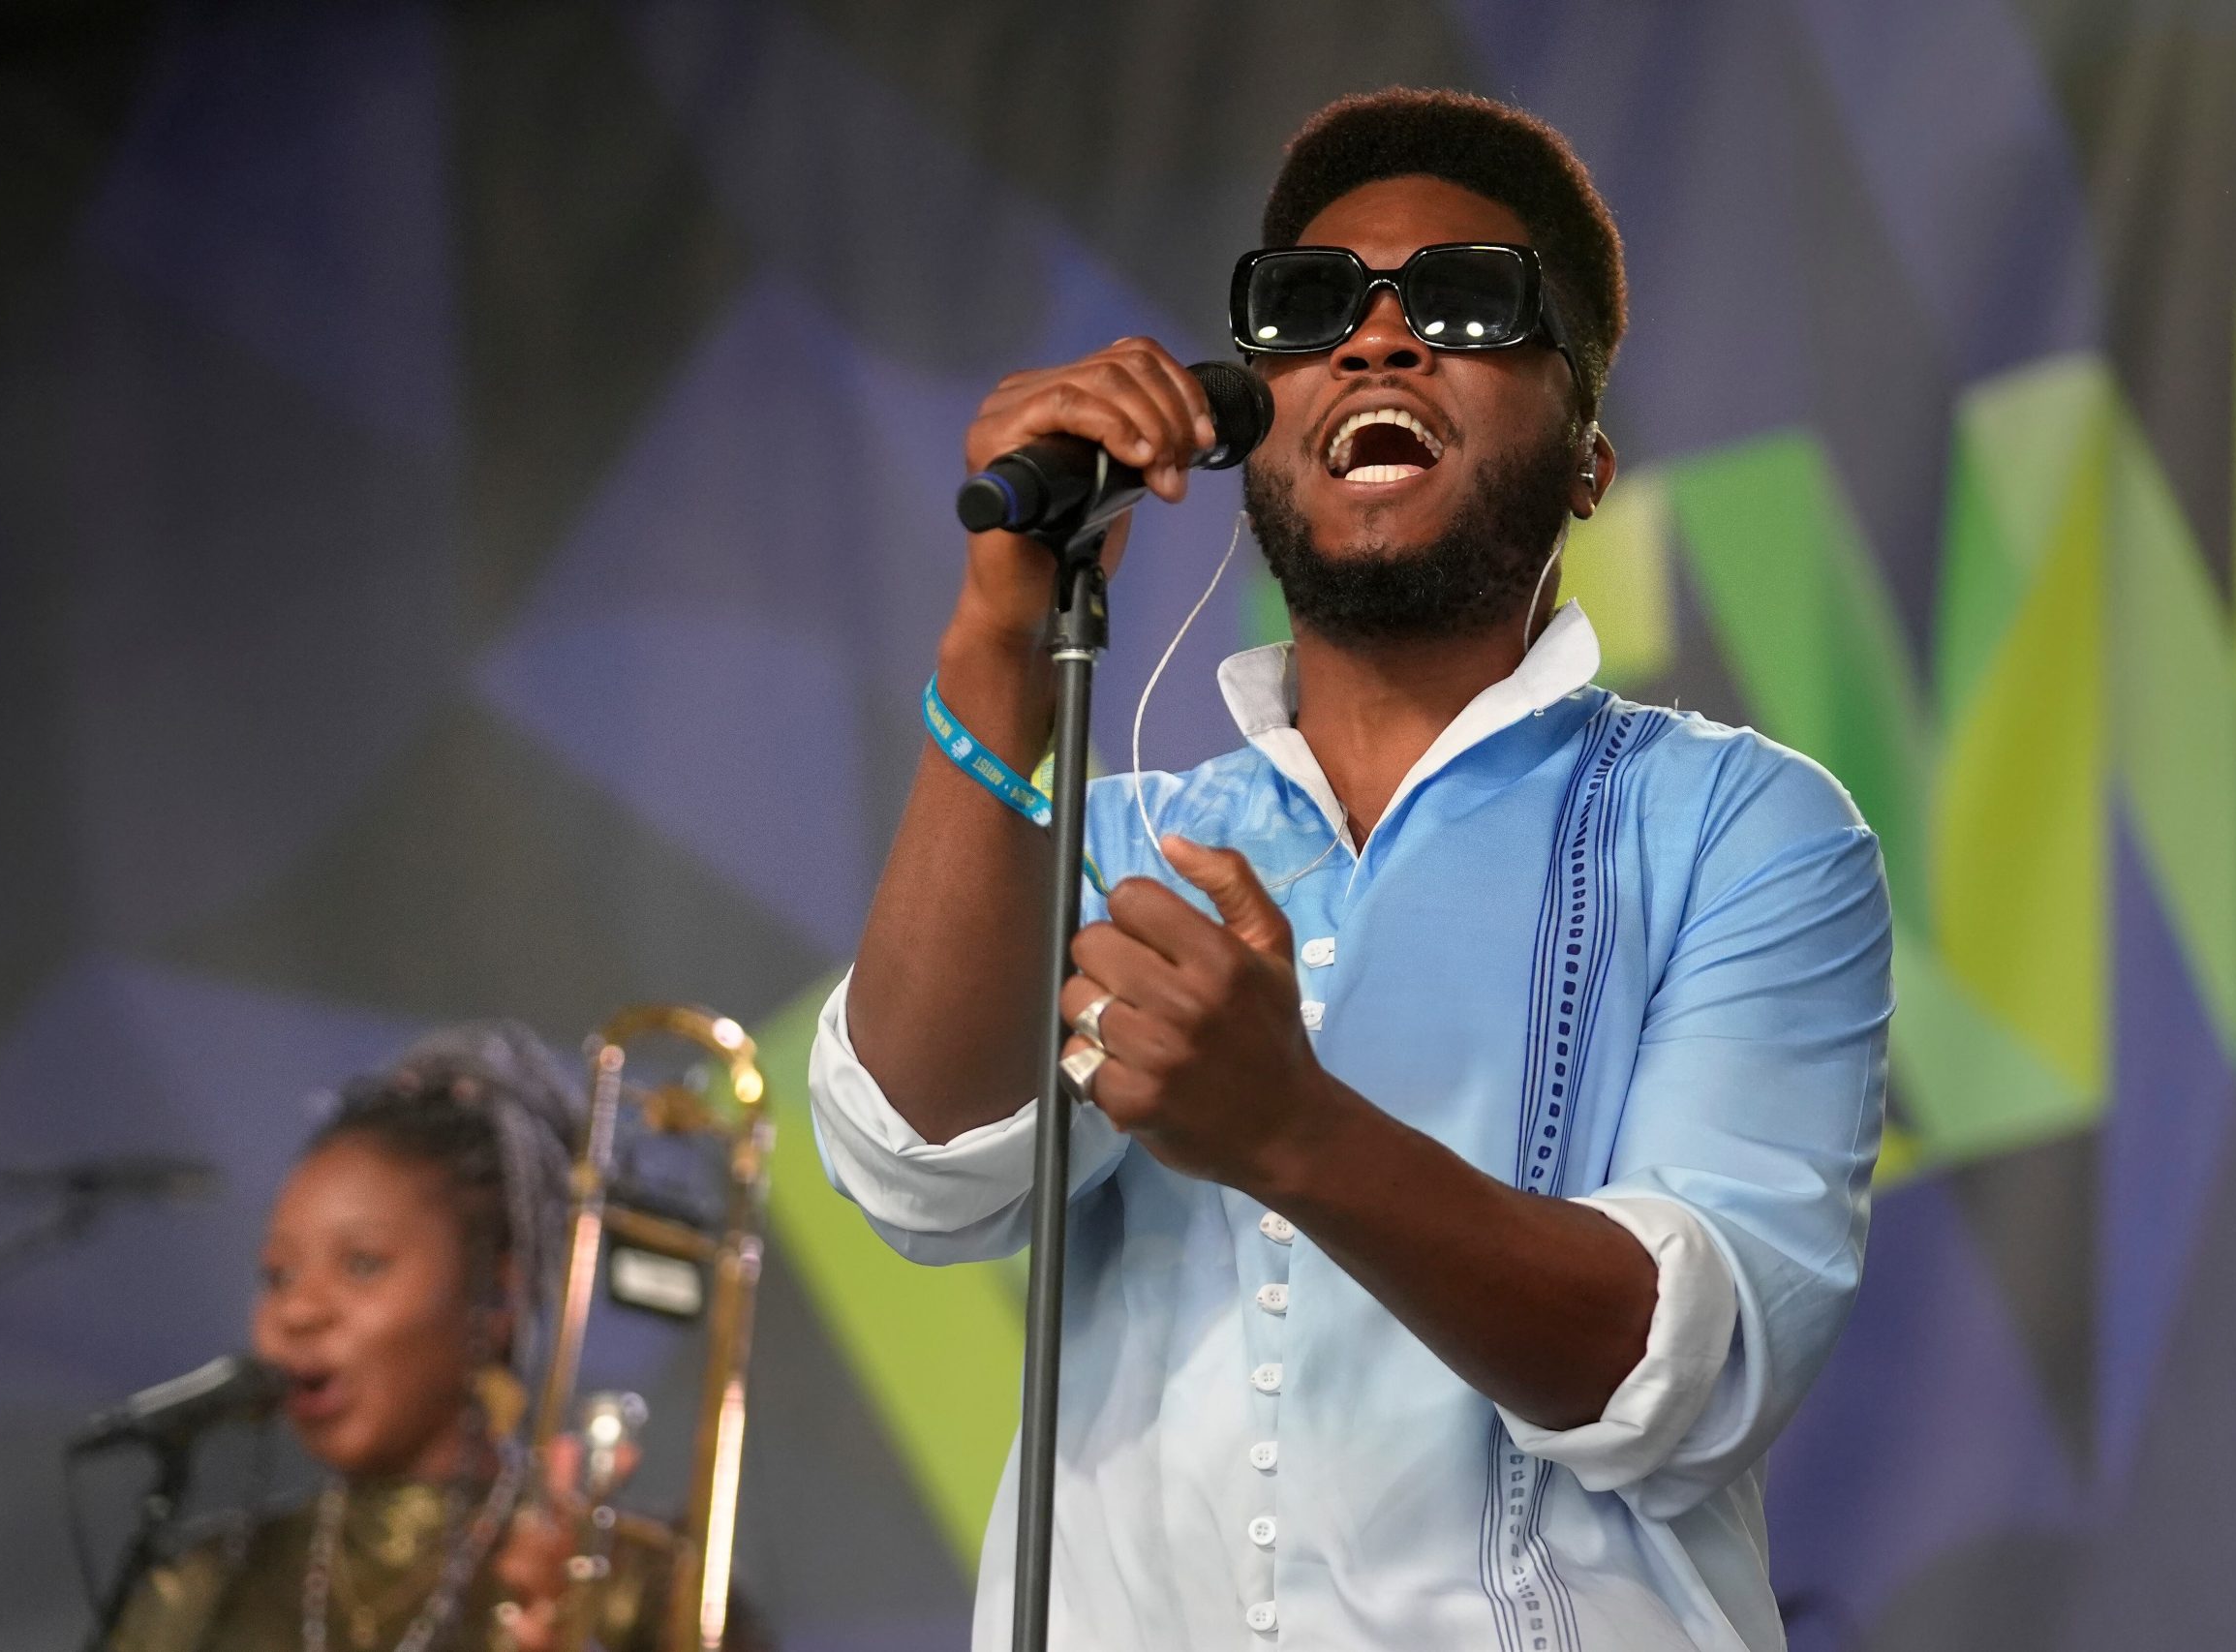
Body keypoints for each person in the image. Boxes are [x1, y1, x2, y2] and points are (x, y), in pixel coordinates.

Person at [810, 87, 1893, 1651]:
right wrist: (998, 644)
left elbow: (1684, 1374)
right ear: (1255, 425)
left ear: (1588, 461)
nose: (1379, 340)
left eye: (1466, 301)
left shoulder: (1746, 828)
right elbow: (916, 1165)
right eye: (1312, 305)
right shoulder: (1116, 839)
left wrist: (1292, 1129)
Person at [108, 1023, 769, 1652]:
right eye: (277, 1275)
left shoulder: (635, 1588)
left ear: (497, 1292)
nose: (299, 1311)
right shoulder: (200, 1591)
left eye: (362, 1265)